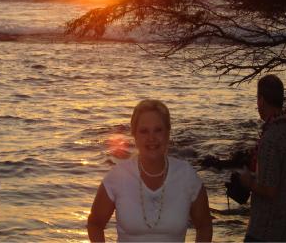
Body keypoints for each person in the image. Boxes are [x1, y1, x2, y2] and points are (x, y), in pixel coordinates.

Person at [87, 99, 212, 242]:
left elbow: (204, 226)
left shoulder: (187, 176)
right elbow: (95, 224)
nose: (151, 138)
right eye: (144, 131)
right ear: (135, 135)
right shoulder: (117, 177)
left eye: (158, 130)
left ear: (167, 133)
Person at [240, 75, 286, 242]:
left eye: (257, 98)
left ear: (261, 100)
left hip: (265, 231)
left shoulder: (270, 139)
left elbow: (270, 190)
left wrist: (249, 182)